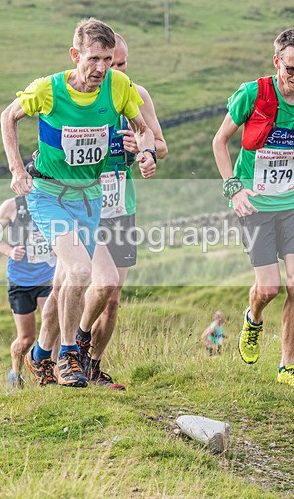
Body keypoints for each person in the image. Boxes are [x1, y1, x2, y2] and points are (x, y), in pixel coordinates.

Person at [1, 18, 156, 388]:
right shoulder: (49, 89)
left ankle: (40, 356)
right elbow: (8, 116)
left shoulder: (118, 86)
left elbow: (144, 128)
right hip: (49, 194)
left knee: (63, 285)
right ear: (75, 56)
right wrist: (16, 168)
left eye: (107, 59)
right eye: (92, 59)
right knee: (82, 273)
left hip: (91, 196)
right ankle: (69, 355)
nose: (100, 68)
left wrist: (147, 151)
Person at [212, 28, 294, 395]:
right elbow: (220, 142)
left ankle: (288, 365)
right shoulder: (251, 94)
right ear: (276, 61)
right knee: (268, 287)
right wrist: (233, 188)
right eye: (292, 69)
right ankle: (253, 318)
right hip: (254, 202)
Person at [76, 33, 169, 390]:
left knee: (113, 299)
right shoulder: (79, 95)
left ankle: (92, 366)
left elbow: (160, 145)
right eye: (106, 63)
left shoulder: (136, 94)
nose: (112, 70)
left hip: (120, 206)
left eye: (120, 64)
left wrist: (143, 152)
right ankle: (67, 354)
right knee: (89, 285)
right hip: (82, 205)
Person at [0, 196, 56, 388]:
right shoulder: (12, 206)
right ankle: (16, 374)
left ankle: (53, 374)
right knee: (27, 338)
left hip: (48, 275)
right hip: (20, 280)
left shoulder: (53, 198)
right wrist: (9, 251)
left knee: (53, 327)